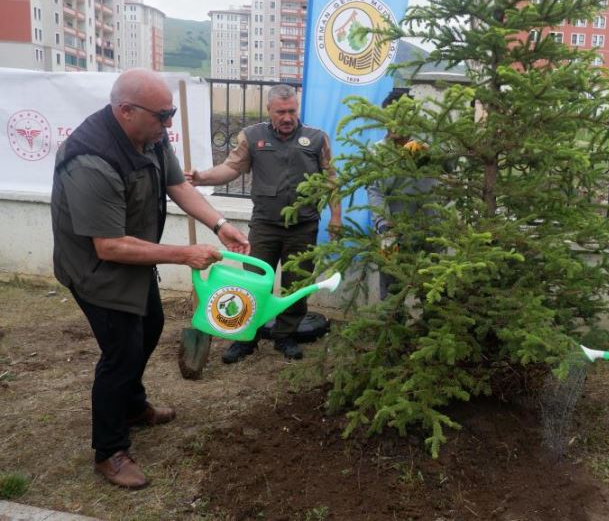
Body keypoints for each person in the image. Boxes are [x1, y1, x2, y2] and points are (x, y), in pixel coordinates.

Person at [51, 69, 251, 489]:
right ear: (126, 111)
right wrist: (184, 254)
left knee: (151, 326)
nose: (169, 123)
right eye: (163, 115)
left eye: (172, 113)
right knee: (121, 353)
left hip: (134, 260)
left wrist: (219, 225)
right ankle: (109, 451)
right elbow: (107, 247)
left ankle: (133, 405)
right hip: (96, 270)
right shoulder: (91, 158)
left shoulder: (151, 137)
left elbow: (177, 185)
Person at [188, 84, 341, 363]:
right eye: (280, 111)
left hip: (303, 226)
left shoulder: (316, 138)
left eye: (292, 111)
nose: (287, 117)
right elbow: (231, 167)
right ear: (269, 110)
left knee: (297, 284)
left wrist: (337, 217)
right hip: (264, 226)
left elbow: (331, 180)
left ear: (297, 109)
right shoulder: (253, 136)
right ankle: (247, 337)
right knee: (254, 283)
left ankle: (285, 336)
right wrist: (201, 178)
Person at [366, 88, 438, 300]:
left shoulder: (427, 145)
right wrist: (384, 226)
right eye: (390, 116)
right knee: (390, 284)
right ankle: (392, 328)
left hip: (429, 228)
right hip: (391, 230)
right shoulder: (377, 151)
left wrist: (427, 148)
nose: (395, 122)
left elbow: (451, 161)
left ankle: (428, 329)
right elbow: (375, 190)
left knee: (431, 286)